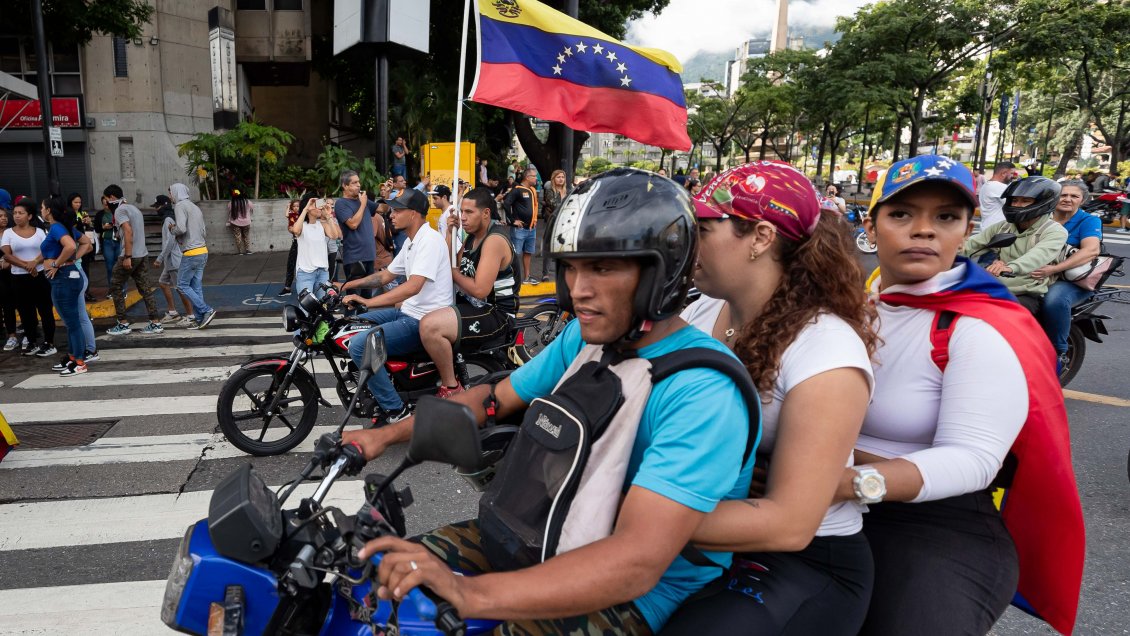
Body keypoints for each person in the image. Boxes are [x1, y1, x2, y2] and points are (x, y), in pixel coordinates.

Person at [342, 168, 756, 635]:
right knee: (372, 577)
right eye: (573, 268)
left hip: (634, 591)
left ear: (661, 272)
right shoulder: (588, 336)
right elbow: (492, 399)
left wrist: (470, 594)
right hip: (543, 527)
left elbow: (635, 560)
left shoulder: (702, 390)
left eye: (602, 268)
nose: (579, 289)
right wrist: (382, 436)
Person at [851, 154, 1083, 635]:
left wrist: (842, 481)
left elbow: (974, 459)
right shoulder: (847, 307)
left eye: (945, 217)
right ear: (871, 228)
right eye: (901, 214)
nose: (924, 231)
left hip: (932, 522)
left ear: (965, 230)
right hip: (811, 499)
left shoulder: (976, 327)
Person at [662, 162, 877, 635]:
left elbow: (790, 523)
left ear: (760, 237)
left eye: (701, 229)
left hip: (801, 559)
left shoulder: (827, 349)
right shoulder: (702, 310)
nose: (686, 244)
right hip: (697, 534)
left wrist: (626, 509)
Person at [339, 189, 453, 423]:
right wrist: (346, 284)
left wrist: (368, 301)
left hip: (422, 320)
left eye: (398, 210)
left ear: (414, 214)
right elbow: (385, 276)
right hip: (407, 312)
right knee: (352, 325)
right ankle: (385, 382)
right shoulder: (412, 243)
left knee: (360, 346)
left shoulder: (429, 242)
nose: (391, 214)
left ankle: (395, 409)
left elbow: (413, 287)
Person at [419, 187, 518, 398]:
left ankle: (451, 388)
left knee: (430, 326)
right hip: (472, 304)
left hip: (496, 312)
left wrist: (454, 273)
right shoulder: (473, 236)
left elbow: (480, 290)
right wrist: (449, 232)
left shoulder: (494, 241)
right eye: (461, 212)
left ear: (486, 214)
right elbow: (451, 262)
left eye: (469, 212)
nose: (463, 217)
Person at [962, 175, 1068, 313]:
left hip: (1026, 292)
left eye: (1025, 201)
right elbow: (974, 243)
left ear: (1043, 203)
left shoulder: (1055, 231)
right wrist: (945, 252)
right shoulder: (1003, 227)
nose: (1017, 205)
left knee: (999, 315)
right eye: (1014, 200)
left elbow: (1038, 256)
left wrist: (1011, 268)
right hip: (995, 285)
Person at [1032, 181, 1102, 364]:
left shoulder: (1088, 220)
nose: (1068, 199)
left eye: (1074, 196)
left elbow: (1091, 250)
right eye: (1063, 195)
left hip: (1070, 279)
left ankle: (1058, 353)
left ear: (1082, 200)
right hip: (1036, 271)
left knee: (1054, 301)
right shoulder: (1041, 217)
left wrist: (1054, 269)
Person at [39, 197, 92, 376]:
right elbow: (86, 243)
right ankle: (72, 358)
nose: (41, 210)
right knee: (71, 322)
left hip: (63, 278)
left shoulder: (56, 227)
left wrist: (57, 264)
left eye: (42, 207)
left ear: (48, 211)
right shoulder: (64, 227)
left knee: (72, 323)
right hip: (67, 277)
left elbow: (70, 247)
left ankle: (79, 362)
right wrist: (73, 259)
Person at [103, 185, 164, 336]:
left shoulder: (120, 210)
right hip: (142, 254)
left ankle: (122, 323)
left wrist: (127, 256)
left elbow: (128, 231)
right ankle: (155, 322)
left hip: (130, 254)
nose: (105, 202)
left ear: (111, 197)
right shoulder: (133, 208)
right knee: (145, 288)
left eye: (105, 199)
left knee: (115, 286)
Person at [1, 199, 56, 356]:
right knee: (26, 312)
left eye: (21, 213)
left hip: (39, 276)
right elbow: (7, 255)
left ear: (30, 216)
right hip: (19, 277)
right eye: (15, 213)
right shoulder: (8, 233)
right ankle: (31, 342)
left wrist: (35, 262)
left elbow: (46, 249)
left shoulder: (39, 232)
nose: (17, 216)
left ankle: (49, 342)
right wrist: (26, 265)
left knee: (45, 310)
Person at [169, 182, 216, 330]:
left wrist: (172, 229)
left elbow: (181, 228)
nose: (170, 196)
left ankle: (206, 310)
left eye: (171, 193)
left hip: (191, 253)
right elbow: (203, 231)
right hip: (202, 250)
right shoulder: (194, 207)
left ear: (176, 193)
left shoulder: (179, 206)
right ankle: (201, 318)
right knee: (196, 286)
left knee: (182, 285)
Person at [334, 170, 377, 301]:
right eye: (354, 183)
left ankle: (364, 321)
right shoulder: (341, 203)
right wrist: (363, 203)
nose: (359, 185)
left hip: (369, 256)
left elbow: (383, 209)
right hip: (355, 258)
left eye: (359, 182)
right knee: (353, 301)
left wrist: (387, 195)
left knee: (366, 300)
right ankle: (351, 321)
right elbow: (353, 224)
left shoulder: (362, 201)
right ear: (345, 186)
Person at [290, 195, 341, 299]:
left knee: (322, 307)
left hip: (322, 272)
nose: (319, 207)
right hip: (305, 273)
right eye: (316, 205)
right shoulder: (302, 225)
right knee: (306, 308)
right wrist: (305, 209)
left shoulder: (322, 224)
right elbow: (295, 230)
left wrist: (328, 216)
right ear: (308, 208)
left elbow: (335, 236)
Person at [152, 194, 191, 325]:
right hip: (170, 261)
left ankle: (190, 315)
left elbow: (170, 242)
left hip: (174, 260)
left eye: (157, 206)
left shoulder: (168, 219)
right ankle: (173, 312)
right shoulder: (169, 218)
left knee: (180, 288)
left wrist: (159, 258)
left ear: (164, 205)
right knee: (163, 282)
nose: (156, 209)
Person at [504, 168, 539, 284]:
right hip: (519, 229)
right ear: (527, 177)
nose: (536, 178)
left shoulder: (532, 190)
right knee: (515, 255)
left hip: (531, 228)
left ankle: (527, 277)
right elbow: (506, 203)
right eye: (534, 176)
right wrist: (513, 221)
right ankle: (513, 279)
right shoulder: (517, 190)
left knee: (528, 253)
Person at [539, 169, 568, 282]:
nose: (561, 179)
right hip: (552, 222)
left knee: (563, 247)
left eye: (562, 177)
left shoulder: (568, 190)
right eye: (558, 177)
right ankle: (545, 274)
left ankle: (563, 272)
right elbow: (554, 205)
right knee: (548, 246)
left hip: (565, 223)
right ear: (553, 179)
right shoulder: (550, 191)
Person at [0, 206, 20, 352]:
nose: (4, 218)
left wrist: (8, 263)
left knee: (12, 304)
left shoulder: (11, 233)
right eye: (0, 216)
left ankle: (13, 335)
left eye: (5, 216)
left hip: (13, 273)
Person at [68, 193, 95, 300]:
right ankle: (78, 291)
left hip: (84, 244)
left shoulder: (83, 213)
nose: (78, 204)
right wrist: (78, 223)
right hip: (74, 244)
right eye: (75, 202)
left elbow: (90, 229)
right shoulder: (68, 214)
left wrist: (88, 223)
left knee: (85, 267)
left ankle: (86, 291)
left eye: (79, 202)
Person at [94, 194, 120, 297]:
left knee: (120, 266)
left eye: (108, 204)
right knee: (110, 267)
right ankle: (112, 289)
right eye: (105, 205)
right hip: (106, 241)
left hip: (118, 241)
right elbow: (96, 229)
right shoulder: (100, 214)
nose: (107, 207)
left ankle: (122, 289)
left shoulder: (117, 212)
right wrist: (103, 227)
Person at [977, 161, 1015, 227]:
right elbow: (1014, 206)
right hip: (995, 230)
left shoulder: (986, 185)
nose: (1013, 176)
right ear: (1003, 173)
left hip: (987, 226)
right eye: (1011, 173)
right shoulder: (998, 186)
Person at [278, 199, 301, 296]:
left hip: (305, 243)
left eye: (298, 206)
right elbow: (287, 215)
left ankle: (306, 287)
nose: (296, 208)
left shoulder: (305, 216)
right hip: (296, 242)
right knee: (291, 264)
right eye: (294, 206)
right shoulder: (292, 215)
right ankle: (287, 288)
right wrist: (287, 207)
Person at [227, 189, 253, 255]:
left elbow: (229, 209)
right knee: (246, 236)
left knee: (238, 236)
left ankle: (240, 252)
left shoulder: (231, 203)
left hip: (235, 223)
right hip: (246, 222)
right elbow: (252, 208)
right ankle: (247, 250)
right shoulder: (248, 202)